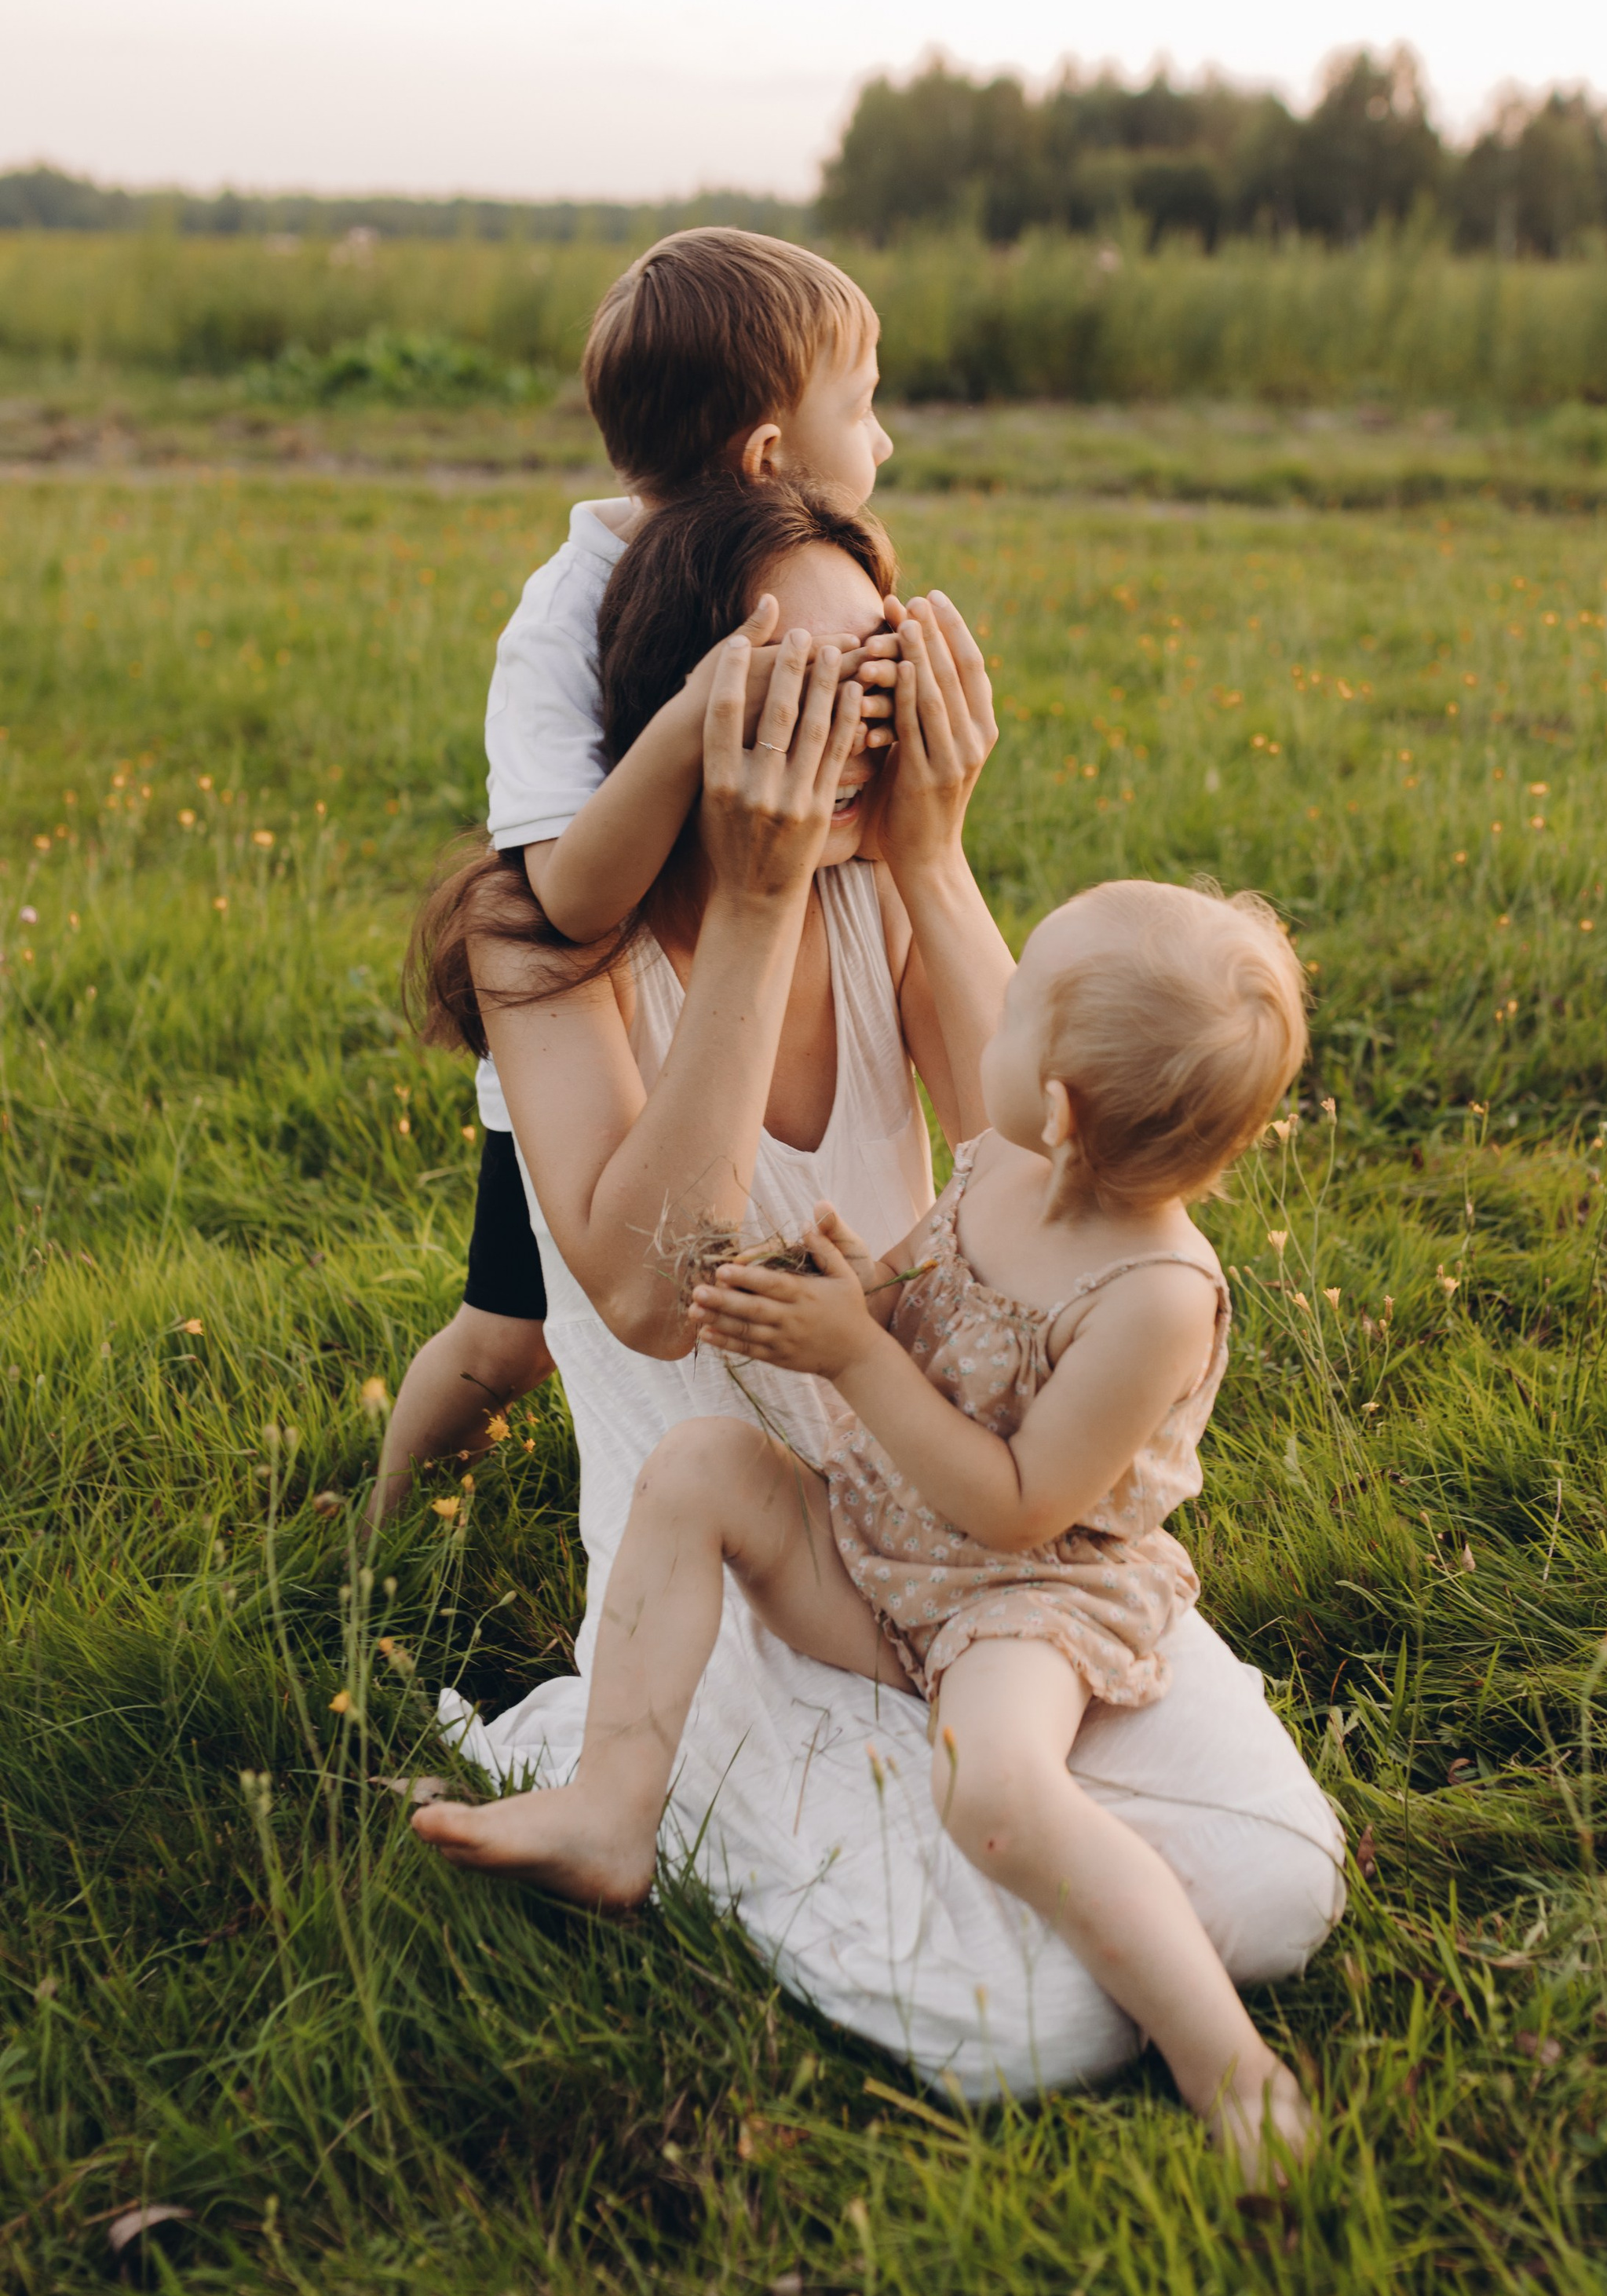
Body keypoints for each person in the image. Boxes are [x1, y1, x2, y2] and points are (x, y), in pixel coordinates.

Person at [404, 481, 1346, 2103]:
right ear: (687, 704)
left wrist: (928, 849)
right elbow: (653, 1289)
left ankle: (1051, 1863)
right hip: (733, 1552)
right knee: (1024, 2029)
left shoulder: (876, 880)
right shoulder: (540, 941)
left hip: (966, 1522)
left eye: (885, 676)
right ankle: (656, 1785)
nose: (865, 725)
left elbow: (1039, 1149)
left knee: (1277, 1883)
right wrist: (757, 898)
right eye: (816, 686)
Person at [420, 878, 1313, 2178]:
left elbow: (1021, 1505)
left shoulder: (1159, 1296)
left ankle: (1224, 2058)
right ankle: (611, 1809)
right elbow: (931, 1281)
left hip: (1025, 1603)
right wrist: (857, 1291)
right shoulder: (1010, 1165)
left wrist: (852, 1359)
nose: (981, 1025)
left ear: (1057, 1109)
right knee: (698, 1466)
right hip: (886, 1552)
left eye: (1013, 1024)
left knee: (995, 1790)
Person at [375, 227, 898, 1505]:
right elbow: (569, 896)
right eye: (866, 408)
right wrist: (689, 732)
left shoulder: (801, 574)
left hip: (730, 984)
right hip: (594, 1011)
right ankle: (384, 1514)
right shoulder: (564, 613)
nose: (884, 444)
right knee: (516, 1332)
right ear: (768, 454)